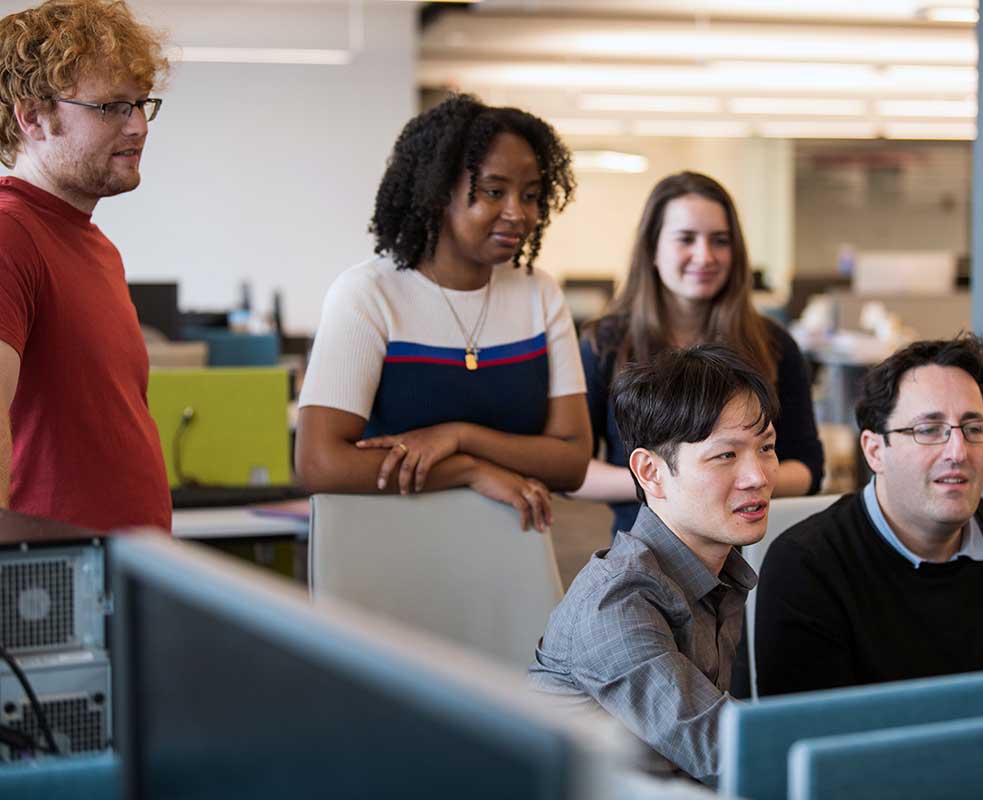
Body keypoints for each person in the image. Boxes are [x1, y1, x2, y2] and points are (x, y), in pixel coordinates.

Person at [295, 94, 591, 530]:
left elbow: (571, 460)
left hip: (510, 548)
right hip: (386, 551)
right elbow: (320, 464)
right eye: (494, 191)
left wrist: (459, 436)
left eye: (530, 195)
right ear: (438, 193)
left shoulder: (539, 293)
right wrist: (470, 470)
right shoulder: (367, 295)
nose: (518, 213)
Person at [754, 334, 983, 696]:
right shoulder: (806, 566)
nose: (958, 452)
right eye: (929, 430)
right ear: (874, 451)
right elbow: (810, 740)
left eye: (974, 429)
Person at [529, 344, 778, 785]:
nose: (757, 476)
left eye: (766, 448)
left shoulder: (717, 574)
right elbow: (728, 752)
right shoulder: (614, 604)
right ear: (650, 472)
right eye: (726, 455)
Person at [572, 171, 822, 535]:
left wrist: (734, 482)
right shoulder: (605, 344)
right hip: (646, 545)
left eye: (720, 241)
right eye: (686, 239)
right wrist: (676, 483)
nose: (704, 256)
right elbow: (571, 472)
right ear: (652, 249)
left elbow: (808, 468)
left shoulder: (773, 344)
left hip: (751, 546)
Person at [0, 0, 171, 530]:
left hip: (114, 575)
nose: (138, 126)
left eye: (141, 104)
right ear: (32, 117)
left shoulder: (95, 247)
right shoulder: (11, 235)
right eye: (111, 108)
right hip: (50, 586)